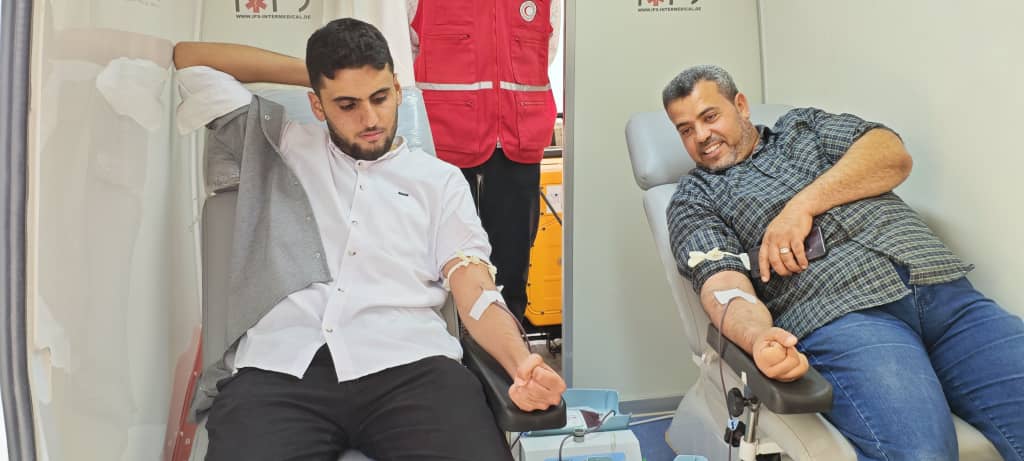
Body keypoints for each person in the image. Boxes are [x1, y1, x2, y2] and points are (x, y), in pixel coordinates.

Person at [172, 18, 565, 461]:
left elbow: (475, 289)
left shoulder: (439, 182)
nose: (370, 119)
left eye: (379, 96)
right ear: (317, 105)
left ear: (397, 88)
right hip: (283, 370)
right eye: (347, 104)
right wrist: (314, 73)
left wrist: (521, 363)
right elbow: (189, 59)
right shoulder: (281, 146)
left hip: (412, 367)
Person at [662, 64, 1024, 460]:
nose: (701, 136)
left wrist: (800, 207)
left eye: (709, 117)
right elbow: (722, 284)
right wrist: (757, 337)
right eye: (685, 130)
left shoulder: (803, 128)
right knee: (922, 453)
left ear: (741, 106)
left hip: (943, 291)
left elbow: (890, 155)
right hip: (847, 321)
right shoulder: (695, 199)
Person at [407, 0, 561, 322]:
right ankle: (446, 352)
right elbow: (407, 52)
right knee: (436, 270)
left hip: (518, 143)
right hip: (443, 147)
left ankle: (506, 352)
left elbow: (547, 49)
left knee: (510, 273)